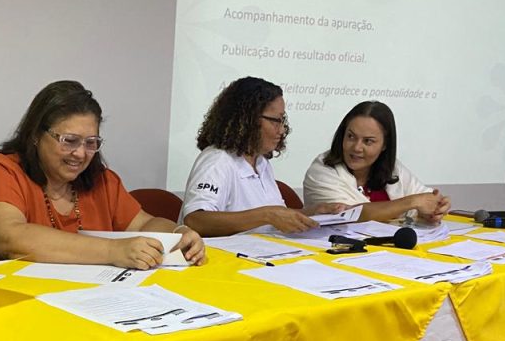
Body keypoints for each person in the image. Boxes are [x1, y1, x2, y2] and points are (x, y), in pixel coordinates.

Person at [0, 80, 205, 269]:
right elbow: (9, 238)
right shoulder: (1, 171)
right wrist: (112, 251)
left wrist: (178, 233)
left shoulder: (101, 180)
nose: (80, 153)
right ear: (35, 135)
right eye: (69, 141)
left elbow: (143, 224)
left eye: (91, 143)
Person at [179, 77, 344, 237]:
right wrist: (267, 215)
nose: (282, 130)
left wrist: (312, 212)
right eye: (275, 121)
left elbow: (273, 220)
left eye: (282, 121)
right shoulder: (217, 160)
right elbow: (195, 220)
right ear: (247, 120)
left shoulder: (261, 162)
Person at [303, 100, 451, 224]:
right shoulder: (321, 170)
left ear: (384, 145)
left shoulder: (393, 169)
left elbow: (425, 197)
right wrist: (412, 203)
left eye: (368, 141)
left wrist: (436, 207)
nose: (356, 147)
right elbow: (352, 215)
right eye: (351, 137)